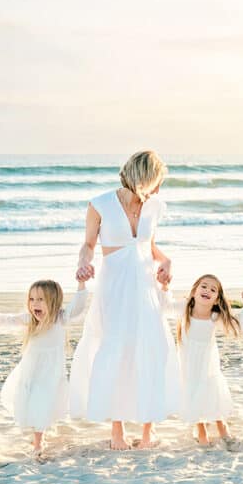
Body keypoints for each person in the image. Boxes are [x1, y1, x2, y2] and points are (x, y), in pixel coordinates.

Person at [69, 150, 179, 450]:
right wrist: (83, 264)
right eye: (157, 181)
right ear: (143, 177)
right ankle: (116, 429)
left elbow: (149, 246)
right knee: (115, 349)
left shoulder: (156, 206)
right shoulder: (100, 204)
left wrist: (166, 262)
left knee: (151, 348)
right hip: (114, 287)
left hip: (145, 286)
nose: (159, 189)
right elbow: (88, 245)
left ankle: (148, 429)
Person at [0, 278, 88, 456]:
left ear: (53, 301)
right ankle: (38, 440)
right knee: (35, 402)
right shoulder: (29, 320)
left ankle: (39, 437)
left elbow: (78, 307)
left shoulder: (60, 318)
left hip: (51, 373)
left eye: (41, 299)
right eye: (32, 299)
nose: (35, 304)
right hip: (31, 372)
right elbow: (6, 320)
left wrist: (81, 284)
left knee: (46, 402)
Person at [162, 273, 243, 448]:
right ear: (194, 291)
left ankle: (221, 424)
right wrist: (165, 287)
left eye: (213, 289)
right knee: (193, 392)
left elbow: (237, 326)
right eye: (203, 286)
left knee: (212, 393)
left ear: (217, 299)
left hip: (208, 365)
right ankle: (201, 428)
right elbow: (166, 307)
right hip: (188, 365)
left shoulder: (214, 316)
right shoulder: (184, 310)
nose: (207, 290)